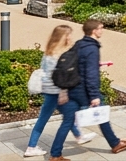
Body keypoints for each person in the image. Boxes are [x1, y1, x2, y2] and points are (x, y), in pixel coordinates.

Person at [50, 20, 126, 158]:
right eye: (101, 28)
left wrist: (63, 89)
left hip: (72, 88)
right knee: (101, 112)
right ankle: (115, 143)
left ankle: (55, 154)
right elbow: (91, 74)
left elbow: (72, 64)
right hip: (84, 90)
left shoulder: (79, 44)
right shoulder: (92, 48)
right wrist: (94, 95)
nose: (102, 30)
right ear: (94, 31)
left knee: (67, 122)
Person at [24, 24, 89, 157]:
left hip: (49, 90)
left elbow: (44, 70)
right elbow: (61, 76)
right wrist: (63, 92)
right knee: (56, 118)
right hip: (57, 92)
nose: (70, 37)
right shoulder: (59, 54)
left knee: (67, 116)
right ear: (63, 37)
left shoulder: (49, 51)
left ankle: (78, 136)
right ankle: (32, 147)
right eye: (68, 35)